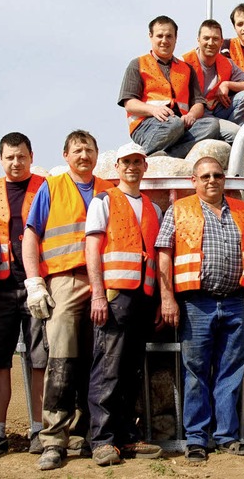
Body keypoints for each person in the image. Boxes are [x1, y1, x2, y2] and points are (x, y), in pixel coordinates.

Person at [156, 157, 244, 461]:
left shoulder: (242, 210)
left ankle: (227, 436)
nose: (212, 180)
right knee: (196, 371)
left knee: (231, 371)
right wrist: (167, 298)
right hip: (196, 303)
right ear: (194, 180)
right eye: (205, 176)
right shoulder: (179, 209)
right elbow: (163, 254)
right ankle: (196, 439)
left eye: (217, 175)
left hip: (234, 301)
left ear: (224, 179)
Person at [21, 130, 114, 471]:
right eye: (77, 150)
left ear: (96, 153)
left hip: (104, 283)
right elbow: (30, 236)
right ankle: (53, 440)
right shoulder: (52, 187)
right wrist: (34, 282)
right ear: (66, 155)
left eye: (88, 149)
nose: (83, 156)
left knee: (99, 359)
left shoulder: (109, 190)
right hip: (65, 280)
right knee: (61, 357)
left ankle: (94, 434)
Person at [85, 142, 163, 466]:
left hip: (143, 298)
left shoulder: (153, 209)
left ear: (145, 167)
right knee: (108, 369)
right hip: (115, 297)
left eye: (137, 162)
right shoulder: (103, 201)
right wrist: (98, 294)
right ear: (117, 167)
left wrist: (158, 300)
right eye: (126, 162)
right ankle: (102, 441)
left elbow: (156, 259)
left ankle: (126, 438)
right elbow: (93, 249)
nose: (132, 167)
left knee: (131, 370)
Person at [0, 133, 48, 457]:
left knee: (39, 360)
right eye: (9, 157)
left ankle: (39, 431)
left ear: (31, 156)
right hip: (1, 287)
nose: (16, 163)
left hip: (36, 284)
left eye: (21, 156)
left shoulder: (47, 187)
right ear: (0, 159)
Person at [118, 15, 221, 158]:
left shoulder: (187, 69)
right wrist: (153, 110)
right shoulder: (137, 64)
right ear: (150, 36)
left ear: (175, 38)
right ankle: (140, 157)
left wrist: (191, 115)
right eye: (159, 36)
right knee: (174, 124)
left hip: (180, 124)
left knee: (211, 125)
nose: (164, 41)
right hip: (147, 125)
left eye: (169, 36)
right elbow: (129, 103)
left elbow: (198, 103)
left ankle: (165, 155)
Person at [182, 19, 244, 143]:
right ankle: (231, 138)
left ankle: (227, 135)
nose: (210, 43)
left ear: (221, 42)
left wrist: (228, 84)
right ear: (198, 40)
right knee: (237, 134)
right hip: (194, 116)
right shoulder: (184, 63)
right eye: (206, 38)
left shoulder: (226, 63)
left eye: (215, 39)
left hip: (217, 111)